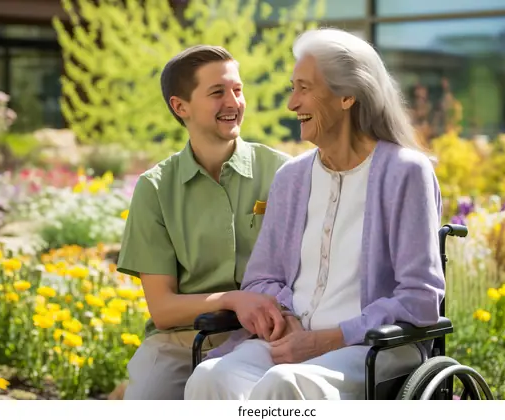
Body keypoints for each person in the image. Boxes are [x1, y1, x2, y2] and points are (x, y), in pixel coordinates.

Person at [184, 28, 446, 400]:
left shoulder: (405, 172)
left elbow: (420, 298)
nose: (292, 103)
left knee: (285, 385)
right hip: (291, 342)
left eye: (303, 88)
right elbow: (261, 279)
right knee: (209, 377)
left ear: (347, 96)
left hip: (372, 349)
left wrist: (328, 340)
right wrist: (284, 318)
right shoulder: (292, 177)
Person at [116, 45, 291, 400]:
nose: (233, 102)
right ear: (180, 107)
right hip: (181, 340)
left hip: (271, 334)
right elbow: (163, 309)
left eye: (237, 90)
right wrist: (234, 299)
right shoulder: (155, 188)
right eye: (217, 93)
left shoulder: (284, 172)